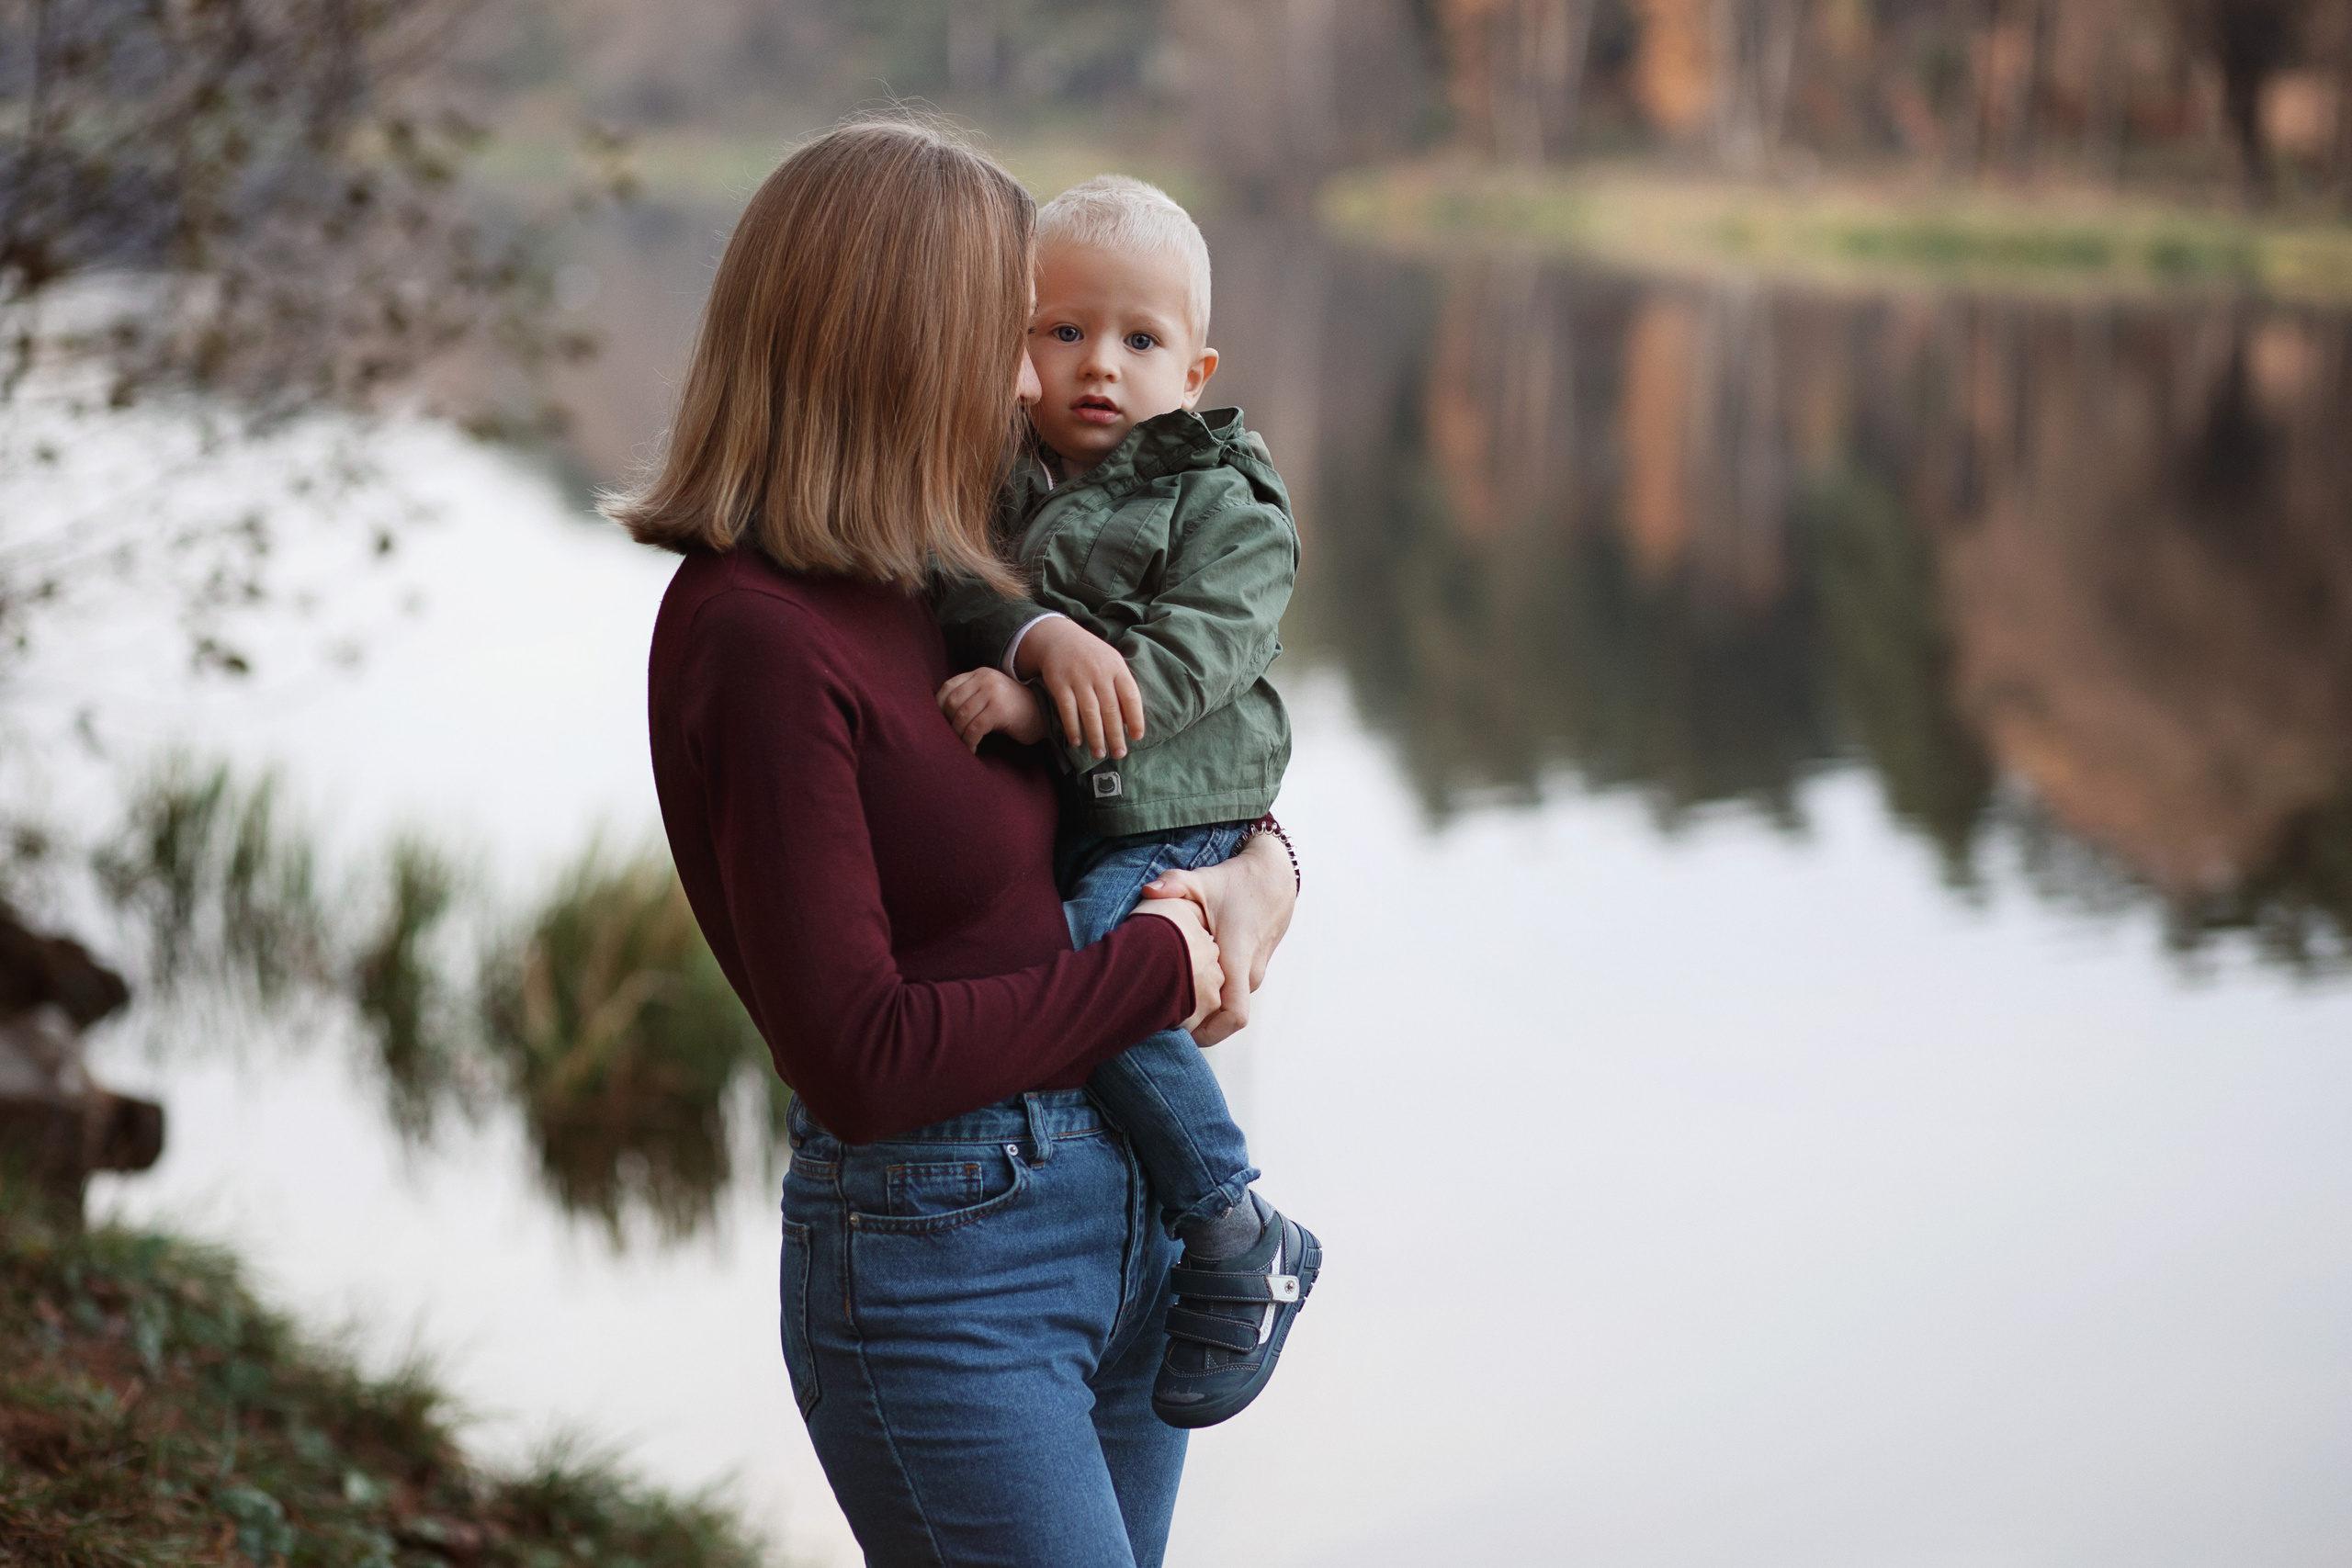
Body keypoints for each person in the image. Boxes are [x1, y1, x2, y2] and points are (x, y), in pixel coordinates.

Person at [611, 121, 1298, 1566]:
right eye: (1011, 333)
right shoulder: (758, 631)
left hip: (1137, 1231)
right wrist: (1161, 968)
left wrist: (1262, 871)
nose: (1035, 378)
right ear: (898, 344)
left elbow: (1136, 775)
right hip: (949, 1252)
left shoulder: (958, 574)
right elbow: (857, 1054)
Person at [932, 175, 1317, 1430]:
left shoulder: (1226, 499)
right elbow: (958, 576)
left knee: (1108, 952)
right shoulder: (1000, 477)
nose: (1101, 365)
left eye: (1140, 342)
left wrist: (1049, 705)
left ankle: (1235, 1224)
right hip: (1105, 810)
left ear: (1195, 368)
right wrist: (1032, 632)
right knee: (1087, 948)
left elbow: (1203, 655)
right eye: (1064, 332)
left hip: (1185, 803)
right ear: (1015, 348)